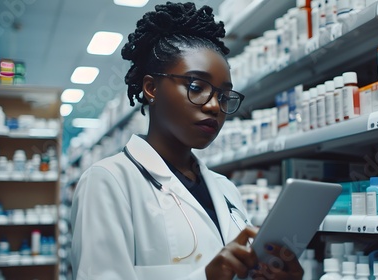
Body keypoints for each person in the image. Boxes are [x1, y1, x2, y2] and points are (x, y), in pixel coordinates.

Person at [70, 2, 303, 279]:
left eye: (223, 95)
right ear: (151, 88)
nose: (214, 106)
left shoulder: (225, 189)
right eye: (196, 87)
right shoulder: (108, 181)